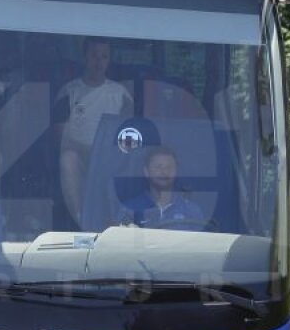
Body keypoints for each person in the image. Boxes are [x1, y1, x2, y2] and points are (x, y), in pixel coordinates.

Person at [56, 37, 132, 226]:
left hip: (112, 159)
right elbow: (60, 137)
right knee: (68, 160)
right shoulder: (69, 92)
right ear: (84, 57)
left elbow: (129, 136)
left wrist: (104, 155)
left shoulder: (121, 95)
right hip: (80, 157)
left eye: (104, 56)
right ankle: (83, 221)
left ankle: (119, 223)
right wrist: (88, 151)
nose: (98, 61)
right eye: (94, 56)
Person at [118, 146, 207, 230]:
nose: (164, 172)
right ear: (146, 172)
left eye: (169, 167)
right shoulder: (130, 210)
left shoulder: (191, 211)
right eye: (158, 167)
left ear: (176, 172)